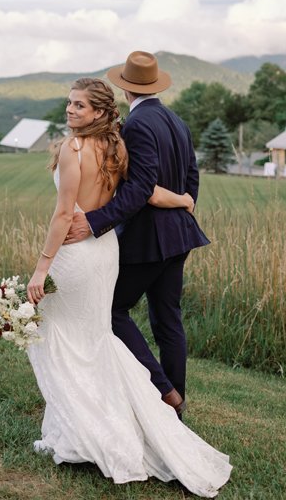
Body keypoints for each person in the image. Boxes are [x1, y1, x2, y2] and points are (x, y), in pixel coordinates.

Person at [26, 76, 232, 496]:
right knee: (133, 326)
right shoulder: (121, 143)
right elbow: (163, 184)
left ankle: (118, 412)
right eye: (68, 103)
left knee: (72, 335)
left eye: (78, 105)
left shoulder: (79, 146)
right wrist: (185, 202)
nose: (70, 110)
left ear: (104, 108)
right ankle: (161, 400)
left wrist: (41, 266)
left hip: (86, 248)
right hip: (115, 249)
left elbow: (68, 213)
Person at [65, 51, 209, 417]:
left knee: (112, 311)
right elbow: (192, 175)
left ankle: (163, 391)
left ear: (125, 88)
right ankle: (176, 405)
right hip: (181, 236)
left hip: (149, 241)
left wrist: (96, 220)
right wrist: (185, 204)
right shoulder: (176, 121)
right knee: (168, 321)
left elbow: (140, 188)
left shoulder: (139, 125)